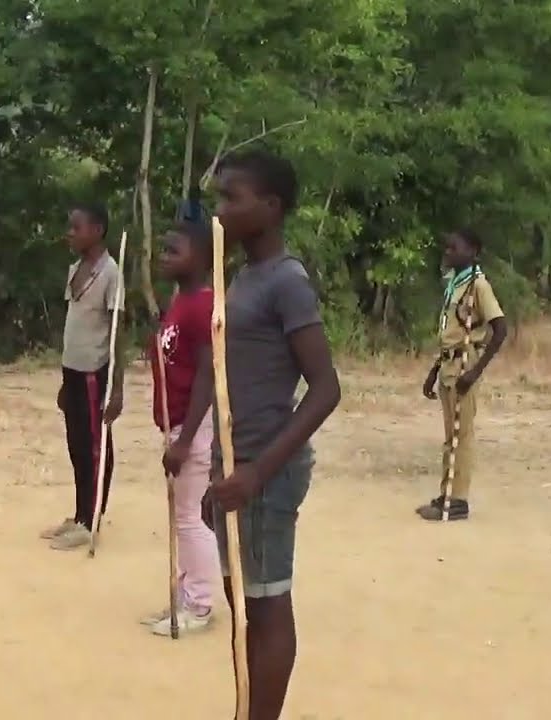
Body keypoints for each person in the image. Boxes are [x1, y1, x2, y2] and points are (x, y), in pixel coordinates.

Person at [207, 149, 342, 720]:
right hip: (235, 469)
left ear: (271, 206)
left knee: (266, 607)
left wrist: (257, 473)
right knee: (243, 606)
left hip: (266, 471)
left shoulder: (286, 281)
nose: (220, 210)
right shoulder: (240, 275)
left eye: (231, 198)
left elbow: (326, 388)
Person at [140, 223, 221, 637]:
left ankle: (201, 603)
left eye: (175, 251)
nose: (165, 257)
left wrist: (186, 440)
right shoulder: (179, 303)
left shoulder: (201, 306)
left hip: (191, 424)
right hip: (175, 423)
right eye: (164, 250)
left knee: (190, 517)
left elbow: (208, 373)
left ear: (203, 258)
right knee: (181, 514)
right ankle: (186, 592)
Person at [43, 203, 125, 551]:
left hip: (95, 371)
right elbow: (74, 319)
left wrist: (117, 388)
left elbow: (119, 332)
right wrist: (64, 380)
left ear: (98, 230)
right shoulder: (76, 269)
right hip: (72, 369)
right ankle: (79, 515)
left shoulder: (111, 273)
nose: (70, 233)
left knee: (95, 447)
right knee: (76, 445)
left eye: (77, 228)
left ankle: (92, 520)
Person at [416, 230, 508, 522]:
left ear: (473, 251)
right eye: (448, 246)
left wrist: (475, 371)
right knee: (450, 437)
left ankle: (457, 500)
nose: (448, 251)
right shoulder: (455, 284)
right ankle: (446, 493)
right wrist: (433, 371)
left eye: (455, 247)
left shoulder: (478, 286)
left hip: (464, 367)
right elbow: (450, 334)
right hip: (448, 367)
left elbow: (500, 329)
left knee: (461, 436)